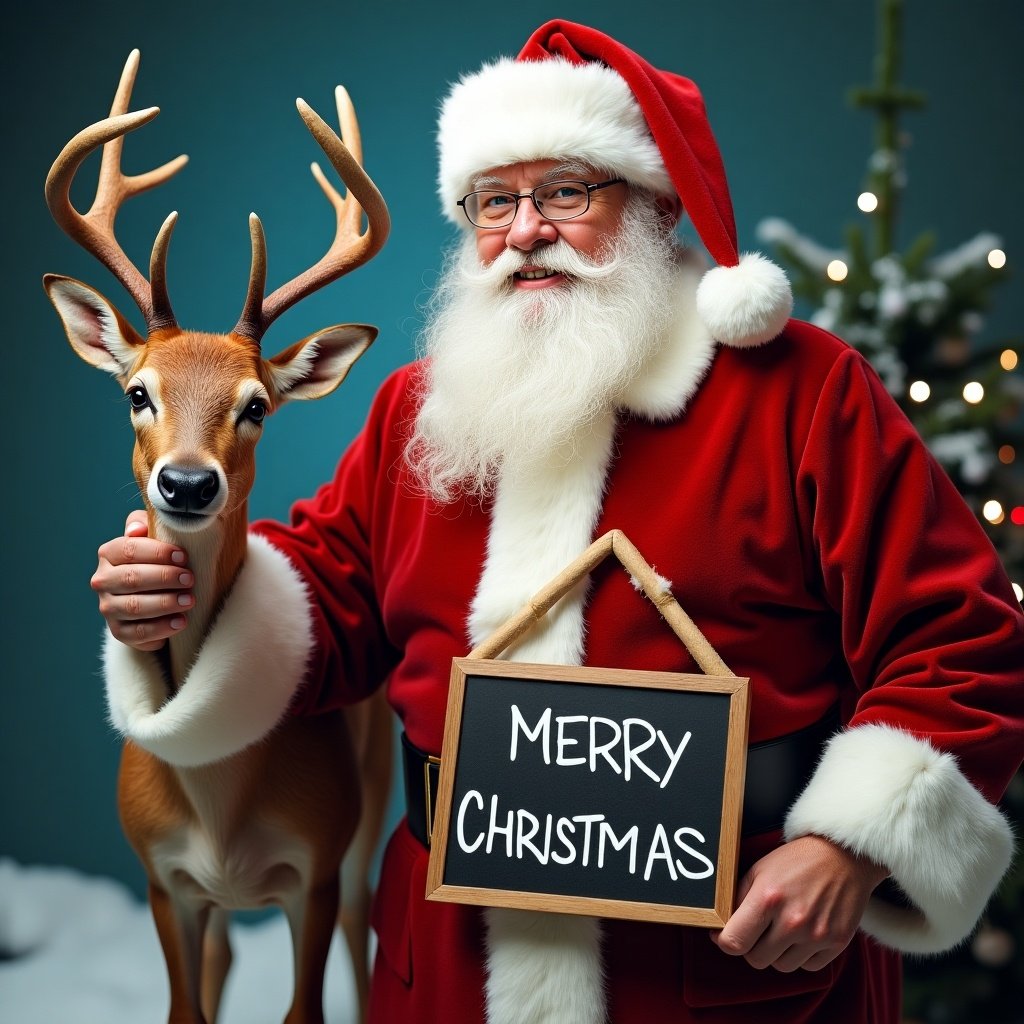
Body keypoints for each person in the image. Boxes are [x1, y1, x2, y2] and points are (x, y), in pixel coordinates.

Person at [90, 20, 1024, 1024]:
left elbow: (960, 638)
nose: (524, 229)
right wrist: (187, 599)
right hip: (451, 965)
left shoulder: (802, 394)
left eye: (567, 192)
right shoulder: (420, 405)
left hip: (732, 967)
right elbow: (326, 597)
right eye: (494, 201)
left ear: (659, 206)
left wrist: (851, 842)